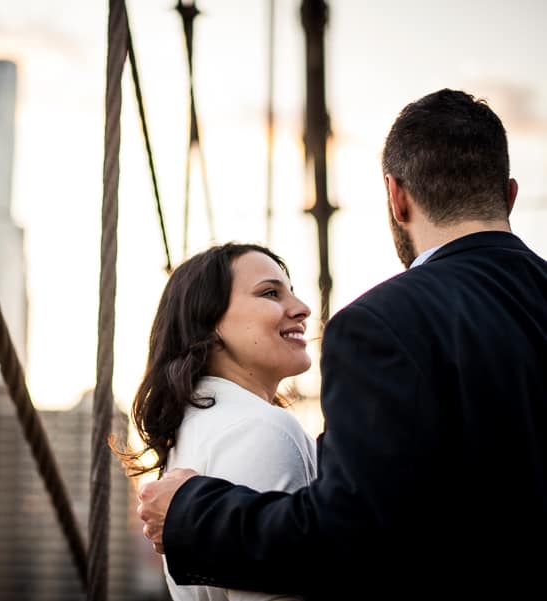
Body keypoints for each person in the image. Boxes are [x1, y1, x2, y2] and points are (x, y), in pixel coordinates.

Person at [136, 89, 547, 596]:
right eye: (269, 292)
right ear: (508, 194)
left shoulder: (385, 322)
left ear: (396, 197)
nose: (302, 308)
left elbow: (350, 538)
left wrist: (189, 513)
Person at [115, 242, 317, 601]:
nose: (302, 309)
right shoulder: (262, 431)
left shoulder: (193, 433)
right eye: (270, 293)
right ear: (209, 324)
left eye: (292, 292)